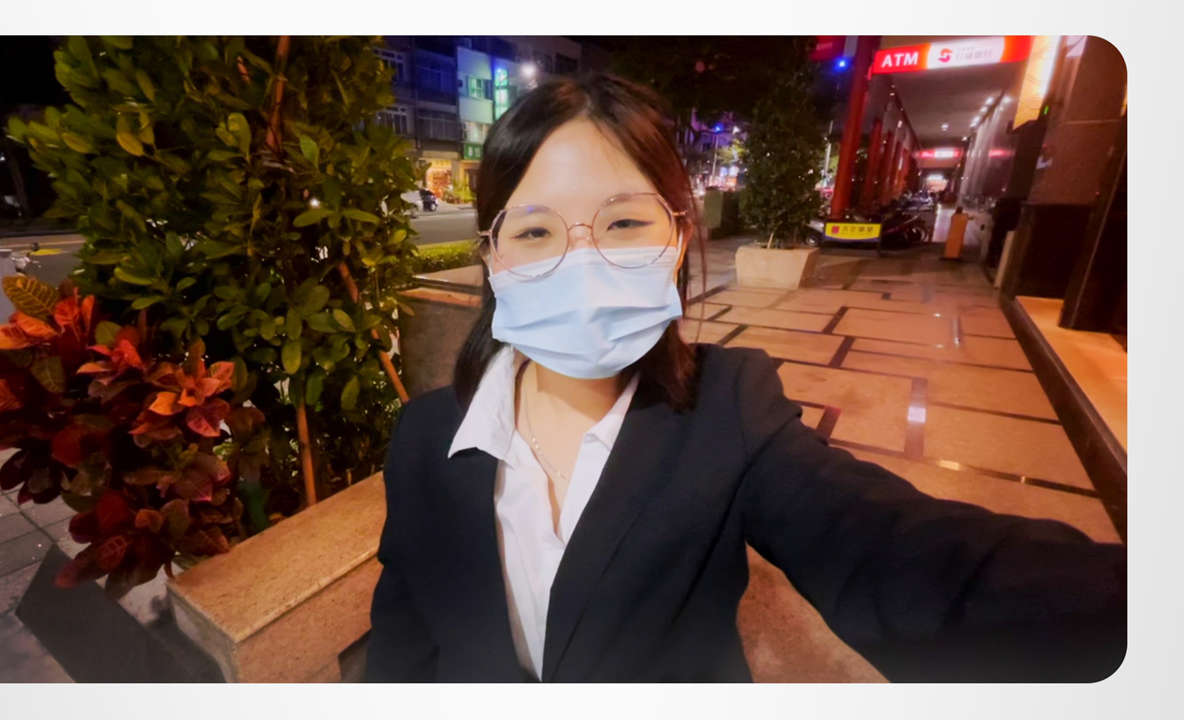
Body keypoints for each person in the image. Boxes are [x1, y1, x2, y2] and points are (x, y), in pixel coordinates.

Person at [365, 73, 1125, 683]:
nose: (583, 261)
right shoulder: (426, 436)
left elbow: (899, 553)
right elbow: (404, 639)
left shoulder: (731, 408)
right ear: (494, 255)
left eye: (624, 223)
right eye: (535, 230)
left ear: (677, 237)